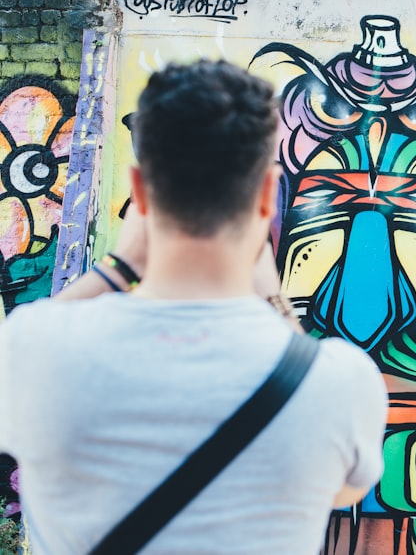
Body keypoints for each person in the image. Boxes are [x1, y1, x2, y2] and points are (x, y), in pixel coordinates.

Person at [0, 60, 388, 554]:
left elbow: (32, 331)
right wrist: (275, 302)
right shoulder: (340, 382)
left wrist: (120, 267)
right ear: (268, 195)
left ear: (140, 192)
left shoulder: (32, 349)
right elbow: (343, 490)